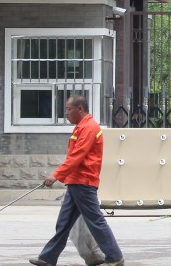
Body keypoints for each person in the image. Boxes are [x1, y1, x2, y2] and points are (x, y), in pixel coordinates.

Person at [30, 94, 124, 266]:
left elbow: (77, 156)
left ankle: (115, 257)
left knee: (95, 221)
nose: (66, 113)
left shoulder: (89, 128)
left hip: (84, 182)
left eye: (68, 109)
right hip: (75, 182)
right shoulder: (81, 127)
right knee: (64, 223)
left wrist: (56, 175)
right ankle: (48, 257)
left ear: (80, 109)